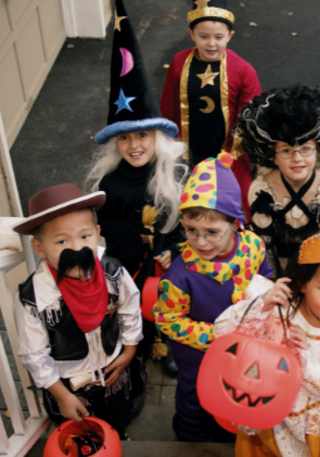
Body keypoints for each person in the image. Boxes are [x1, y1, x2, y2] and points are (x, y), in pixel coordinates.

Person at [214, 226, 320, 456]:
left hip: (316, 428)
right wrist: (260, 307)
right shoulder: (278, 309)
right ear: (303, 283)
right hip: (264, 409)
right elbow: (222, 335)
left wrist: (306, 362)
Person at [88, 0, 188, 377]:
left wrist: (169, 249)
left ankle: (172, 341)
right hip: (128, 265)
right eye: (125, 138)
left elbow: (188, 222)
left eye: (142, 135)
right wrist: (139, 238)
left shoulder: (175, 174)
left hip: (169, 266)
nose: (135, 146)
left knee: (174, 297)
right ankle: (142, 342)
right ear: (116, 142)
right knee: (133, 302)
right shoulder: (109, 183)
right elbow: (105, 229)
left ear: (156, 136)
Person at [152, 153, 273, 442]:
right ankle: (191, 435)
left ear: (235, 224)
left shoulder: (254, 246)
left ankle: (233, 432)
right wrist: (217, 335)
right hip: (198, 355)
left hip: (246, 347)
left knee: (238, 388)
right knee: (196, 395)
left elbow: (264, 277)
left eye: (212, 233)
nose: (200, 242)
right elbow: (168, 320)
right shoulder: (180, 277)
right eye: (191, 231)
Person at [13, 184, 145, 438]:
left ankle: (119, 434)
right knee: (80, 431)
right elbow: (33, 353)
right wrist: (61, 395)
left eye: (85, 237)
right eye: (62, 241)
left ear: (97, 234)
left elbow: (129, 307)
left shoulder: (113, 272)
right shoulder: (34, 299)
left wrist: (129, 350)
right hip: (69, 382)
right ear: (39, 249)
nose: (76, 248)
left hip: (112, 365)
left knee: (117, 415)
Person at [160, 0, 261, 221]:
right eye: (203, 36)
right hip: (186, 153)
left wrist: (233, 156)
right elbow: (169, 108)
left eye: (219, 37)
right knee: (183, 207)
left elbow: (251, 120)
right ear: (191, 34)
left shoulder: (243, 70)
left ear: (230, 36)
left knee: (232, 209)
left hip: (229, 157)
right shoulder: (179, 62)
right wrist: (166, 146)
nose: (211, 44)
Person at [235, 85, 320, 277]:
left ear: (318, 151)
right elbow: (263, 246)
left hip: (315, 273)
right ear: (273, 156)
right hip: (275, 274)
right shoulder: (262, 190)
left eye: (305, 149)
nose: (297, 158)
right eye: (286, 150)